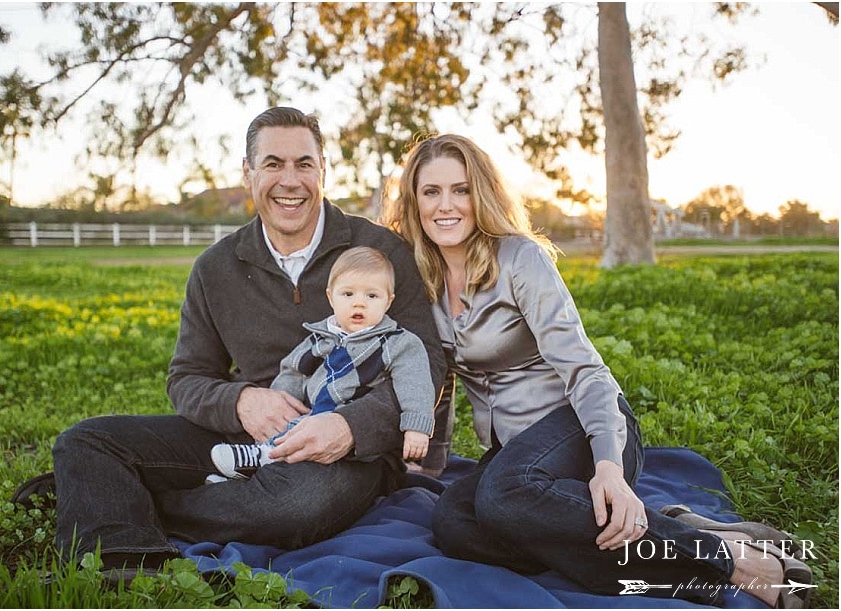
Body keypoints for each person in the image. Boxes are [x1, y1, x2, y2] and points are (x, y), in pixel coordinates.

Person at [379, 133, 813, 607]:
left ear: (480, 194)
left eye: (460, 190)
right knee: (455, 524)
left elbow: (585, 369)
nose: (446, 205)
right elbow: (436, 373)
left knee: (502, 499)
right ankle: (671, 526)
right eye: (431, 191)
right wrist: (431, 459)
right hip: (517, 451)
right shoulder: (420, 277)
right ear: (414, 201)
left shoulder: (520, 259)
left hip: (580, 425)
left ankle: (734, 561)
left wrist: (609, 467)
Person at [48, 107, 448, 578]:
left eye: (304, 164)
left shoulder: (380, 252)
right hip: (246, 436)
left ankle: (134, 498)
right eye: (273, 164)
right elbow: (187, 377)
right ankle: (123, 559)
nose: (290, 181)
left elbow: (427, 362)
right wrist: (240, 402)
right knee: (87, 441)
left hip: (347, 451)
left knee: (294, 505)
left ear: (323, 170)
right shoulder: (215, 268)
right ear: (248, 172)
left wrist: (351, 426)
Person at [210, 246, 435, 479]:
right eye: (348, 294)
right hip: (311, 414)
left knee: (299, 447)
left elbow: (415, 383)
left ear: (388, 302)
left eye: (372, 296)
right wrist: (281, 402)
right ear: (331, 297)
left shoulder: (396, 342)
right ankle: (245, 474)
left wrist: (416, 427)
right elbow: (294, 371)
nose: (359, 303)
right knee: (295, 432)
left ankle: (262, 456)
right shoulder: (320, 337)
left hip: (350, 427)